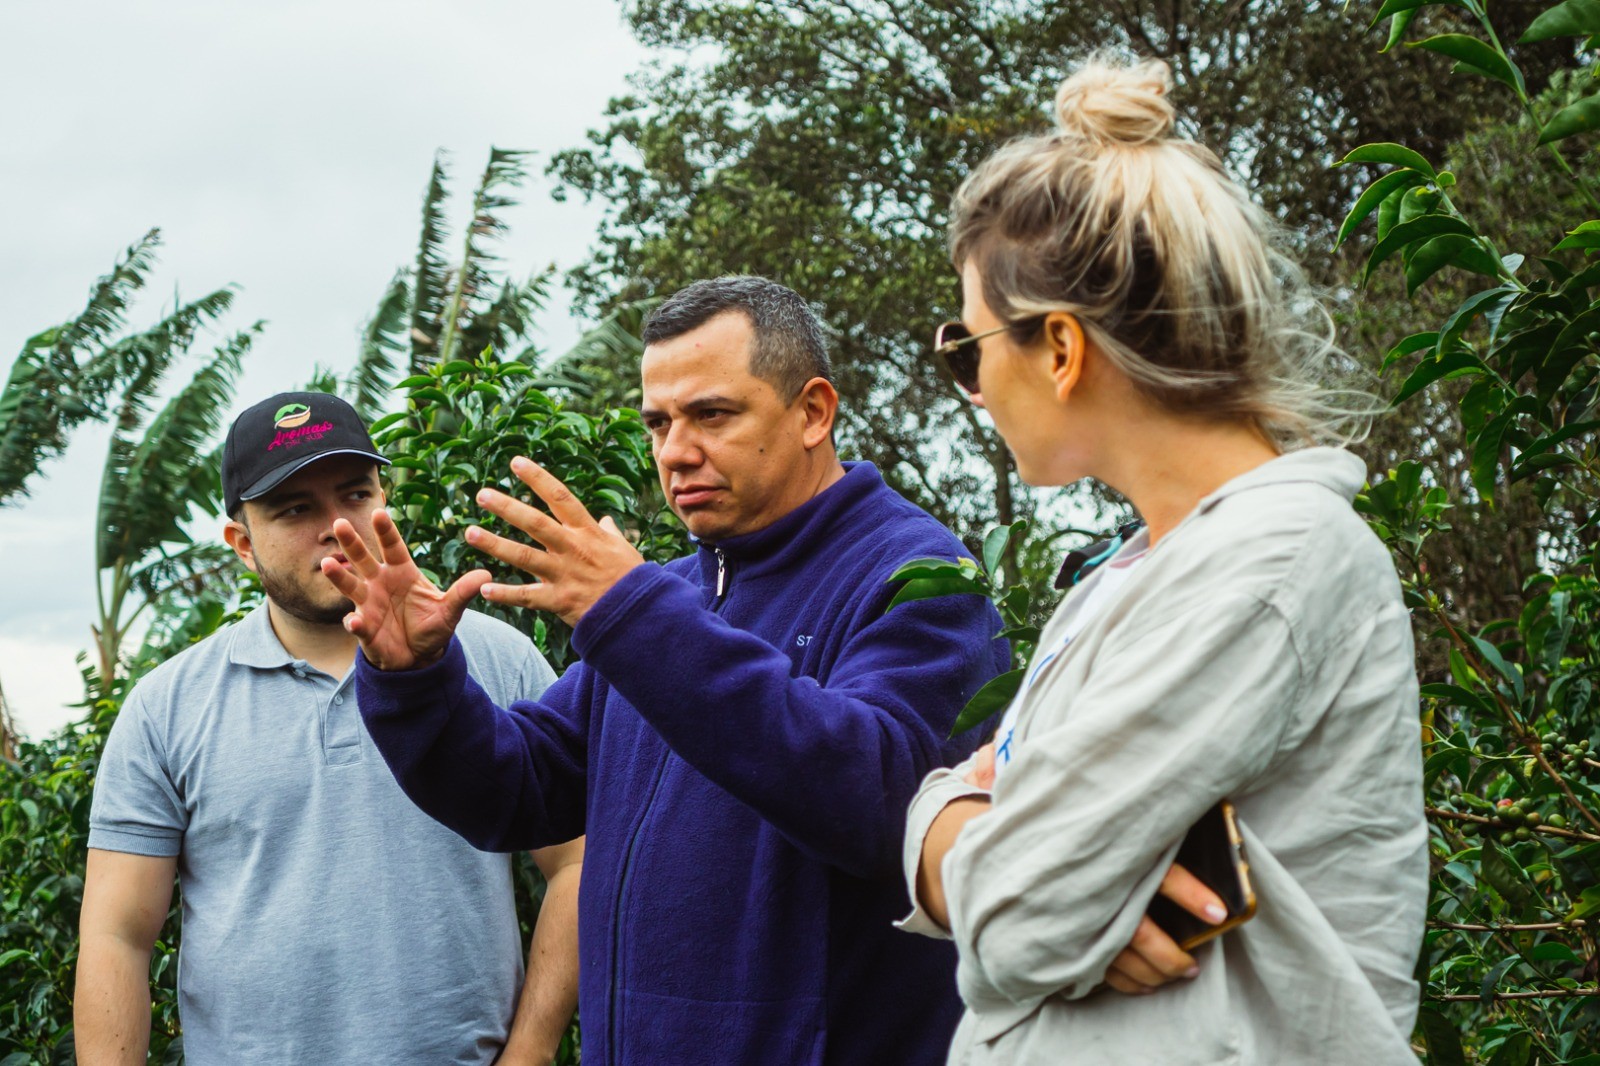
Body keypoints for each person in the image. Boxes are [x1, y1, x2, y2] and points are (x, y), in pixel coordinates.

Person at [319, 277, 1009, 1064]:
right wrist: (414, 680)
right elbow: (518, 789)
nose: (675, 451)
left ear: (814, 411)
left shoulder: (918, 577)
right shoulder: (673, 597)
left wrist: (634, 613)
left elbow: (882, 798)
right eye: (658, 422)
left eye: (712, 415)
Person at [899, 58, 1427, 1064]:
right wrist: (973, 826)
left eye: (968, 349)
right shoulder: (1127, 576)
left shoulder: (1273, 561)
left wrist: (993, 852)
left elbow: (1014, 915)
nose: (970, 384)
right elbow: (974, 824)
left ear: (1059, 348)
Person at [76, 392, 582, 1065]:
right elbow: (118, 936)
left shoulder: (497, 657)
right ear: (241, 544)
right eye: (294, 509)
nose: (336, 526)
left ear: (384, 497)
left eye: (353, 493)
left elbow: (577, 861)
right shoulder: (166, 707)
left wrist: (531, 1052)